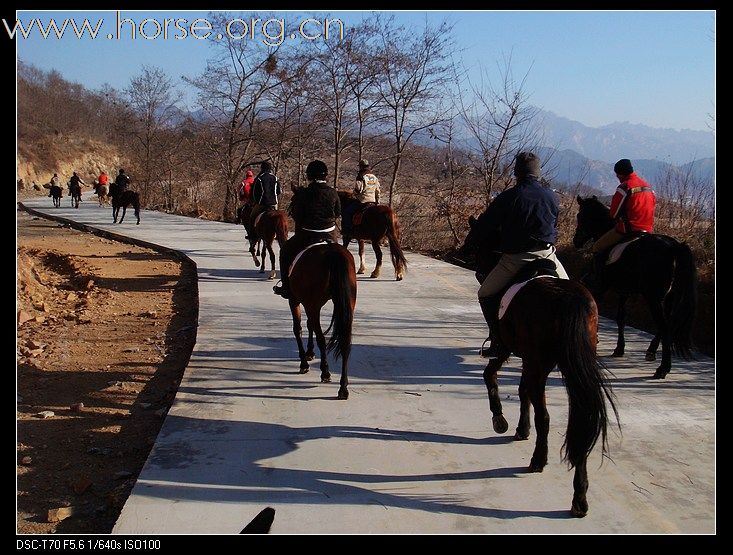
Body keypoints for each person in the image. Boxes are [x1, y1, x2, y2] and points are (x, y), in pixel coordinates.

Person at [476, 151, 569, 359]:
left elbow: (486, 227)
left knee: (485, 294)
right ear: (538, 172)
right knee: (573, 295)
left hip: (516, 260)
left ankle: (498, 340)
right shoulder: (552, 196)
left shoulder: (509, 197)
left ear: (516, 172)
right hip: (548, 255)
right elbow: (553, 225)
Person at [273, 160, 341, 299]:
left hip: (309, 235)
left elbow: (298, 216)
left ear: (309, 176)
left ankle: (286, 287)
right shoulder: (333, 192)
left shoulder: (304, 193)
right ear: (325, 175)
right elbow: (338, 212)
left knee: (285, 251)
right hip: (330, 234)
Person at [586, 158, 656, 288]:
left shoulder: (624, 188)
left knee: (597, 247)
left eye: (617, 174)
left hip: (628, 230)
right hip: (648, 230)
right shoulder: (648, 187)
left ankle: (599, 281)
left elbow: (613, 214)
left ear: (621, 173)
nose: (617, 177)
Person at [341, 159, 381, 237]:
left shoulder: (361, 176)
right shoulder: (374, 177)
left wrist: (353, 194)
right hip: (372, 201)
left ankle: (348, 230)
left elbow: (358, 189)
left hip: (362, 201)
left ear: (361, 167)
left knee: (347, 212)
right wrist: (377, 201)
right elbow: (378, 191)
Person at [249, 161, 282, 236]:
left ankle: (251, 234)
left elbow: (255, 193)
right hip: (274, 203)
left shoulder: (259, 178)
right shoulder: (275, 178)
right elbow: (279, 191)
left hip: (262, 203)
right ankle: (279, 233)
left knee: (252, 216)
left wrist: (257, 201)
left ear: (262, 168)